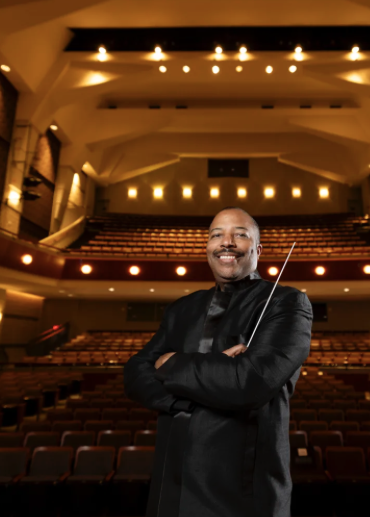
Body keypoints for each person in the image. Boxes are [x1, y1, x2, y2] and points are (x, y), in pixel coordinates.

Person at [123, 206, 313, 517]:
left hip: (242, 486)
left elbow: (247, 383)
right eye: (216, 235)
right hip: (171, 481)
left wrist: (170, 363)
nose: (226, 242)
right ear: (207, 248)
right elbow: (134, 373)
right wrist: (191, 396)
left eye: (240, 235)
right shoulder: (182, 308)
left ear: (257, 249)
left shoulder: (287, 302)